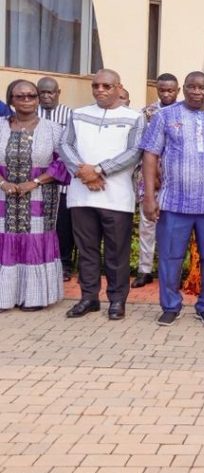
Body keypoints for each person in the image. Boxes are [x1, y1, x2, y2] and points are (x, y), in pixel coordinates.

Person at [139, 71, 204, 326]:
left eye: (202, 87)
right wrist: (149, 196)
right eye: (191, 87)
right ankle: (170, 305)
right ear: (184, 89)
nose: (196, 91)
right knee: (170, 256)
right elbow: (150, 155)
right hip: (174, 203)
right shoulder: (164, 117)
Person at [58, 69, 142, 320]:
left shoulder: (134, 117)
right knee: (86, 250)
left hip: (116, 197)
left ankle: (117, 301)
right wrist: (84, 173)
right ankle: (89, 298)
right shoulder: (79, 114)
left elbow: (135, 151)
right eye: (96, 86)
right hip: (81, 196)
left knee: (117, 254)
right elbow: (65, 145)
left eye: (106, 86)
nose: (100, 90)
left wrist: (98, 170)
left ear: (119, 87)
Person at [0, 80, 70, 310]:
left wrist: (36, 181)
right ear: (11, 100)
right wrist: (3, 182)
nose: (27, 100)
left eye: (32, 95)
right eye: (20, 96)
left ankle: (35, 297)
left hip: (41, 197)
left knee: (35, 242)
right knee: (4, 240)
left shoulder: (53, 129)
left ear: (38, 99)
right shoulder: (0, 126)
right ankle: (4, 297)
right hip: (3, 198)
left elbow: (64, 163)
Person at [133, 73, 181, 289]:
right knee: (147, 224)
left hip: (175, 178)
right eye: (162, 90)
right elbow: (142, 147)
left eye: (171, 90)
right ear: (156, 90)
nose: (166, 94)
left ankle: (170, 271)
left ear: (178, 90)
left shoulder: (184, 112)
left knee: (173, 227)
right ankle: (144, 270)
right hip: (150, 176)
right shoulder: (146, 113)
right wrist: (152, 175)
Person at [37, 76, 75, 281]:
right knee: (38, 224)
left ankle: (64, 265)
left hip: (62, 183)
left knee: (62, 226)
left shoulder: (70, 114)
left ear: (58, 93)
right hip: (35, 182)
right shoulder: (30, 113)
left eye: (50, 92)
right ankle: (40, 262)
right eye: (42, 92)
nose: (46, 96)